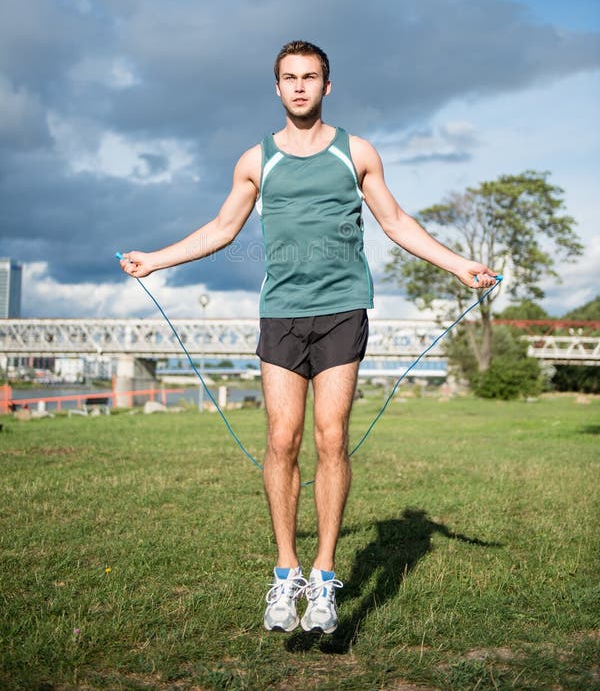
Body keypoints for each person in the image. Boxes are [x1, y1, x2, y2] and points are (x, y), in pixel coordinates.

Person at [119, 40, 497, 634]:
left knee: (331, 437)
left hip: (343, 310)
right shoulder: (255, 160)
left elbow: (395, 222)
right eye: (289, 78)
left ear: (327, 85)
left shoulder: (357, 152)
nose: (299, 86)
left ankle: (323, 578)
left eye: (310, 77)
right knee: (280, 437)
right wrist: (155, 259)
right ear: (276, 88)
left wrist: (458, 265)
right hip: (282, 312)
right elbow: (222, 229)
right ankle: (285, 573)